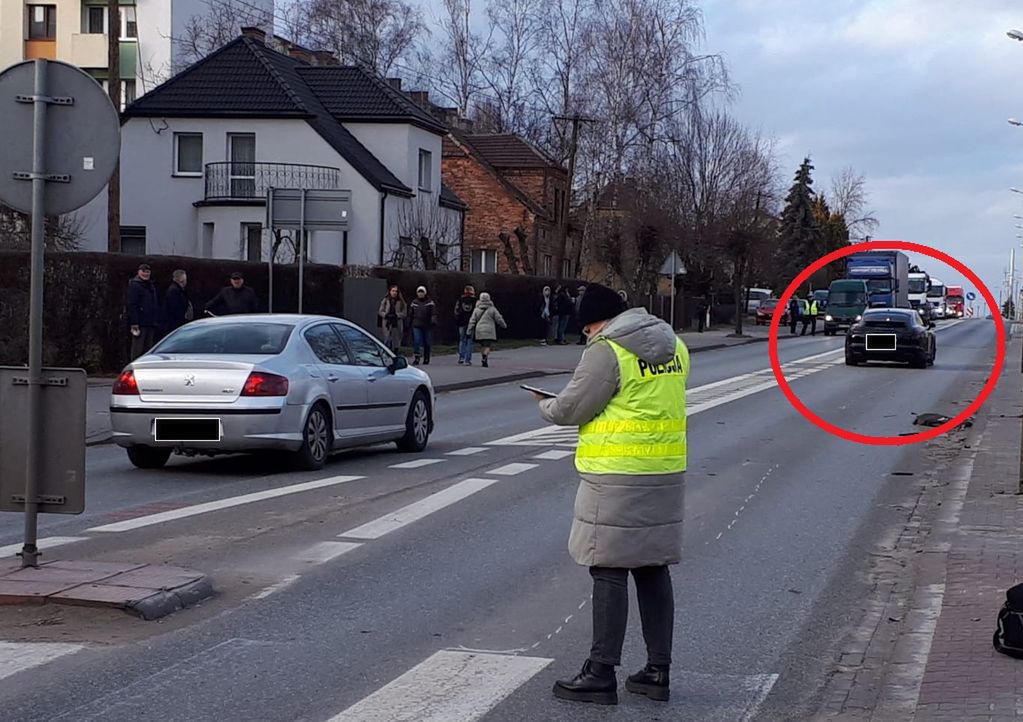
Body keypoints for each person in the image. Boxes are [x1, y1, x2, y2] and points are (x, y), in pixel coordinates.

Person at [529, 282, 688, 706]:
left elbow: (572, 408)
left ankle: (600, 672)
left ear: (595, 322)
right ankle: (658, 671)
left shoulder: (607, 350)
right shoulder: (676, 346)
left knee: (608, 566)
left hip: (616, 474)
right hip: (666, 470)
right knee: (653, 567)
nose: (587, 335)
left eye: (587, 328)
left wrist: (545, 404)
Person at [126, 263, 159, 360]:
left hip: (150, 321)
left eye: (148, 272)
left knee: (148, 347)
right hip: (139, 322)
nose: (146, 274)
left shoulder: (150, 285)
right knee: (138, 348)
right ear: (138, 272)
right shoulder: (135, 286)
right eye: (143, 271)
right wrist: (134, 322)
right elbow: (132, 305)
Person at [466, 292, 507, 368]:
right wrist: (504, 325)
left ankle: (483, 357)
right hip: (489, 330)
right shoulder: (492, 309)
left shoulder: (476, 309)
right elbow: (499, 318)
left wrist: (468, 331)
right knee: (487, 345)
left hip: (479, 330)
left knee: (482, 345)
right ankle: (485, 357)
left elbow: (472, 321)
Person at [409, 285, 437, 365]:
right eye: (419, 292)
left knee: (427, 342)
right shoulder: (414, 303)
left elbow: (433, 313)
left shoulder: (430, 302)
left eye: (422, 292)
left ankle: (426, 357)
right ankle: (417, 358)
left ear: (425, 293)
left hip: (427, 325)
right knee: (417, 341)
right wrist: (408, 323)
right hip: (417, 325)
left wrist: (433, 320)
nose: (420, 294)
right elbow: (410, 314)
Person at [378, 285, 407, 354]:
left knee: (396, 339)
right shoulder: (385, 300)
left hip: (397, 322)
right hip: (387, 322)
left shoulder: (401, 301)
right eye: (393, 291)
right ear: (390, 291)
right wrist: (385, 315)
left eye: (396, 291)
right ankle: (386, 352)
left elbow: (404, 313)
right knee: (387, 338)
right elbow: (380, 311)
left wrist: (397, 315)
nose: (394, 293)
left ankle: (395, 352)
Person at [162, 269, 193, 334]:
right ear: (181, 279)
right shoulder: (174, 291)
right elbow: (175, 308)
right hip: (174, 324)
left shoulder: (177, 290)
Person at [454, 285, 478, 365]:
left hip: (461, 322)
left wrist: (457, 319)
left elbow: (456, 311)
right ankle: (468, 360)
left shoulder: (460, 300)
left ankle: (461, 357)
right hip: (471, 322)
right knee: (470, 341)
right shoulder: (475, 300)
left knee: (462, 340)